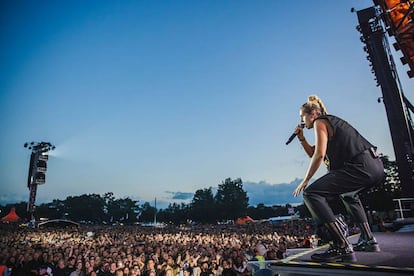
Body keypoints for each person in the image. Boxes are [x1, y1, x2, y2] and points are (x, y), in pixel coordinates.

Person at [293, 95, 384, 262]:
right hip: (375, 165)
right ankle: (368, 239)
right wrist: (301, 138)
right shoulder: (329, 122)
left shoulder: (320, 122)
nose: (301, 120)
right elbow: (314, 152)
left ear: (313, 114)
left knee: (311, 194)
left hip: (360, 166)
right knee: (349, 195)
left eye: (302, 116)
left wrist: (305, 181)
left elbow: (319, 155)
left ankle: (341, 246)